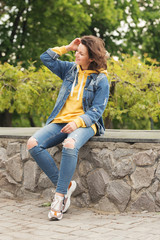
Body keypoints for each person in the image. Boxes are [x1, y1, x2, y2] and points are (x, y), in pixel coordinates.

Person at [27, 35, 110, 221]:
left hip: (87, 124)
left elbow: (97, 111)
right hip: (60, 121)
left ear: (92, 58)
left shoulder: (101, 80)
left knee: (70, 143)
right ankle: (65, 186)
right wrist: (68, 47)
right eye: (77, 52)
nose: (76, 56)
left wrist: (77, 122)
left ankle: (59, 198)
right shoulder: (70, 70)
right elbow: (45, 58)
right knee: (33, 144)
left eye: (81, 54)